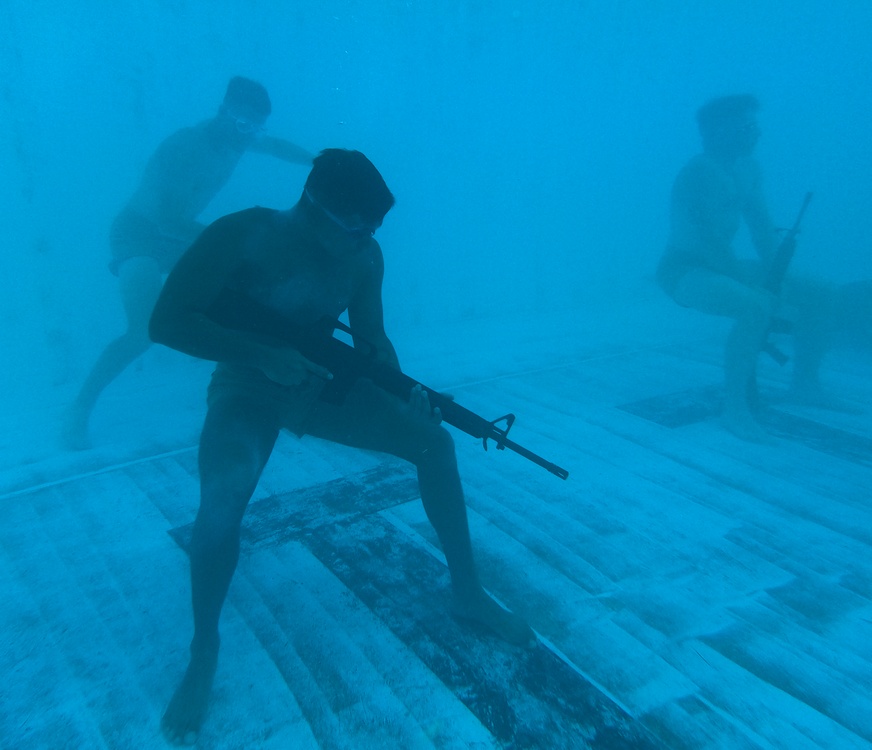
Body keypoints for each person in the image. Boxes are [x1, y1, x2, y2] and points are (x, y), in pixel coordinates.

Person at [149, 149, 535, 745]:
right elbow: (167, 321)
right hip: (248, 385)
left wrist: (404, 388)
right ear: (314, 206)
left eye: (375, 229)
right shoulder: (241, 234)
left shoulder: (364, 255)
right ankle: (205, 649)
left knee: (434, 442)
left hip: (320, 380)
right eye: (358, 226)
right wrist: (260, 355)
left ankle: (468, 593)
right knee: (222, 503)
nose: (367, 238)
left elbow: (373, 340)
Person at [63, 76, 314, 449]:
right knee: (144, 331)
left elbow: (275, 146)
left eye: (255, 127)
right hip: (139, 234)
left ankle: (258, 387)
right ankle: (79, 408)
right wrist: (234, 238)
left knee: (247, 288)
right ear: (222, 112)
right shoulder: (187, 146)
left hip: (174, 236)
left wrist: (320, 162)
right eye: (244, 124)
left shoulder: (237, 137)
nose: (250, 135)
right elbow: (167, 220)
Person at [657, 95, 834, 442]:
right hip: (685, 270)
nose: (757, 133)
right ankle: (735, 410)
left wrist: (776, 277)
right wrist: (758, 288)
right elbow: (710, 243)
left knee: (823, 292)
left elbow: (762, 228)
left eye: (755, 126)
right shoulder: (700, 173)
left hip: (724, 265)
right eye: (747, 127)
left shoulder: (748, 168)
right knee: (754, 306)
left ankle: (806, 384)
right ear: (720, 132)